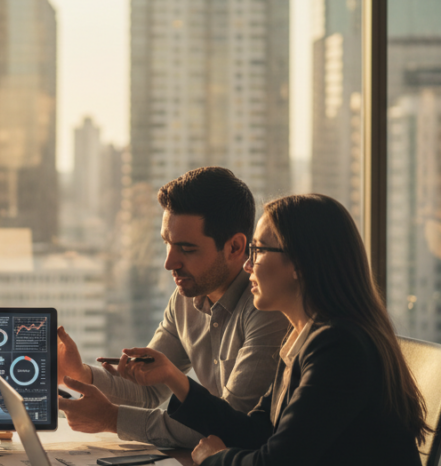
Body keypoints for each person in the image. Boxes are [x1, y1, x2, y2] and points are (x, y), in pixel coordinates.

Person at [119, 194, 441, 466]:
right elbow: (256, 430)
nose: (246, 266)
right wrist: (175, 380)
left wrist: (215, 459)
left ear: (299, 264)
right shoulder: (303, 336)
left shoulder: (338, 347)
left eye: (258, 251)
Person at [57, 167, 289, 447]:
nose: (169, 263)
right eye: (167, 244)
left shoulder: (268, 310)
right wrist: (79, 374)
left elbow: (230, 426)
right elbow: (148, 390)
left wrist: (112, 419)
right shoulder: (185, 299)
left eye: (187, 249)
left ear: (235, 247)